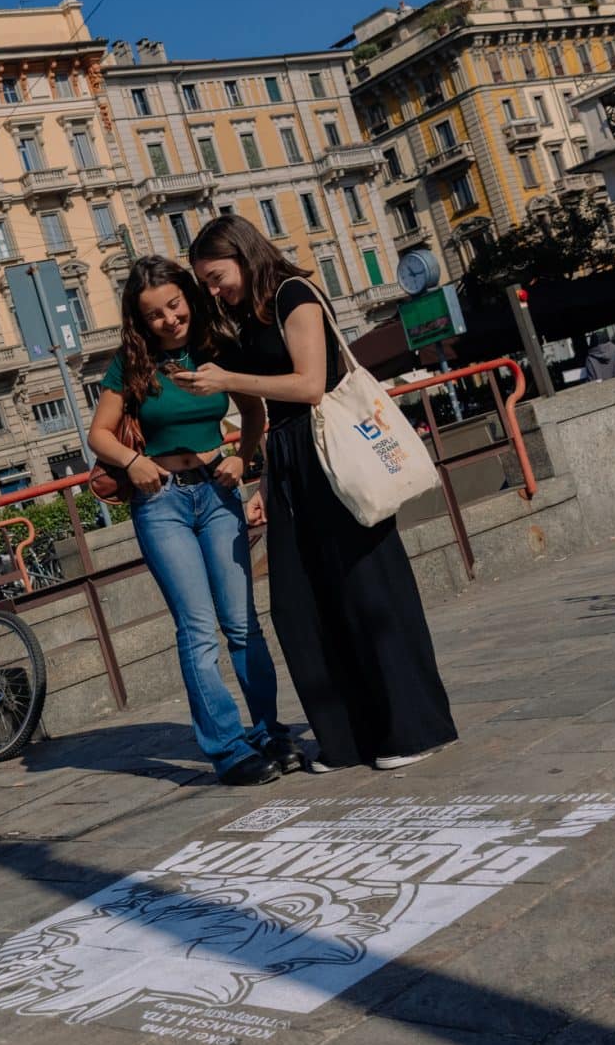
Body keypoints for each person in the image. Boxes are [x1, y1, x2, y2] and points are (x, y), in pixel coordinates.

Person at [185, 214, 457, 773]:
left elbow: (309, 386)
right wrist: (254, 467)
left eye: (216, 276)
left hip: (330, 451)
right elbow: (264, 410)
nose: (213, 290)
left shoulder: (293, 294)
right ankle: (345, 737)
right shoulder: (243, 315)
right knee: (299, 603)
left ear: (242, 253)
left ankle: (410, 727)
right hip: (287, 463)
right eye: (206, 283)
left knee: (367, 589)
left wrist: (228, 380)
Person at [85, 255, 300, 786]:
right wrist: (134, 462)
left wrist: (241, 456)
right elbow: (100, 434)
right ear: (140, 319)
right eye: (154, 314)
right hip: (162, 506)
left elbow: (254, 411)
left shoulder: (216, 347)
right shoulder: (130, 363)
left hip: (217, 492)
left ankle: (269, 730)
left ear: (188, 296)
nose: (168, 320)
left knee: (242, 624)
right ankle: (227, 749)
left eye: (174, 306)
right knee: (199, 630)